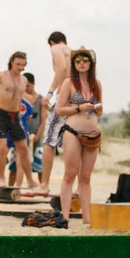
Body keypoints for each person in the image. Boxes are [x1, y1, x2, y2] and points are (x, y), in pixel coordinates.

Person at [56, 47, 102, 223]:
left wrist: (98, 110)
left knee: (86, 177)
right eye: (78, 61)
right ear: (74, 64)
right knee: (70, 174)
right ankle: (65, 216)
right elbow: (60, 110)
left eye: (85, 61)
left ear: (91, 64)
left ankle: (86, 218)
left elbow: (100, 112)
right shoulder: (68, 83)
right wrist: (79, 108)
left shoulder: (96, 84)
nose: (81, 64)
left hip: (92, 132)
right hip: (73, 131)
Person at [0, 51, 35, 188]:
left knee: (24, 149)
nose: (20, 67)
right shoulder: (1, 75)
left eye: (23, 64)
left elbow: (24, 96)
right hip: (0, 113)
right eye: (17, 64)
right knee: (2, 148)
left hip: (14, 116)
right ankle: (1, 179)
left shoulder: (24, 80)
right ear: (11, 63)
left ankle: (31, 180)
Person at [39, 32, 71, 194]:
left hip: (63, 96)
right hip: (76, 95)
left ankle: (44, 185)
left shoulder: (56, 48)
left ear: (51, 42)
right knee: (70, 141)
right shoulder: (72, 51)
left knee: (49, 141)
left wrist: (50, 93)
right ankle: (71, 187)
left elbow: (62, 68)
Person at [23, 72, 46, 183]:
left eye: (27, 85)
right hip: (21, 136)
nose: (25, 88)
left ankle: (42, 186)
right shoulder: (21, 99)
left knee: (39, 164)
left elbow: (43, 120)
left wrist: (37, 136)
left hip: (36, 137)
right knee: (16, 164)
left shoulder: (41, 100)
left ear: (33, 84)